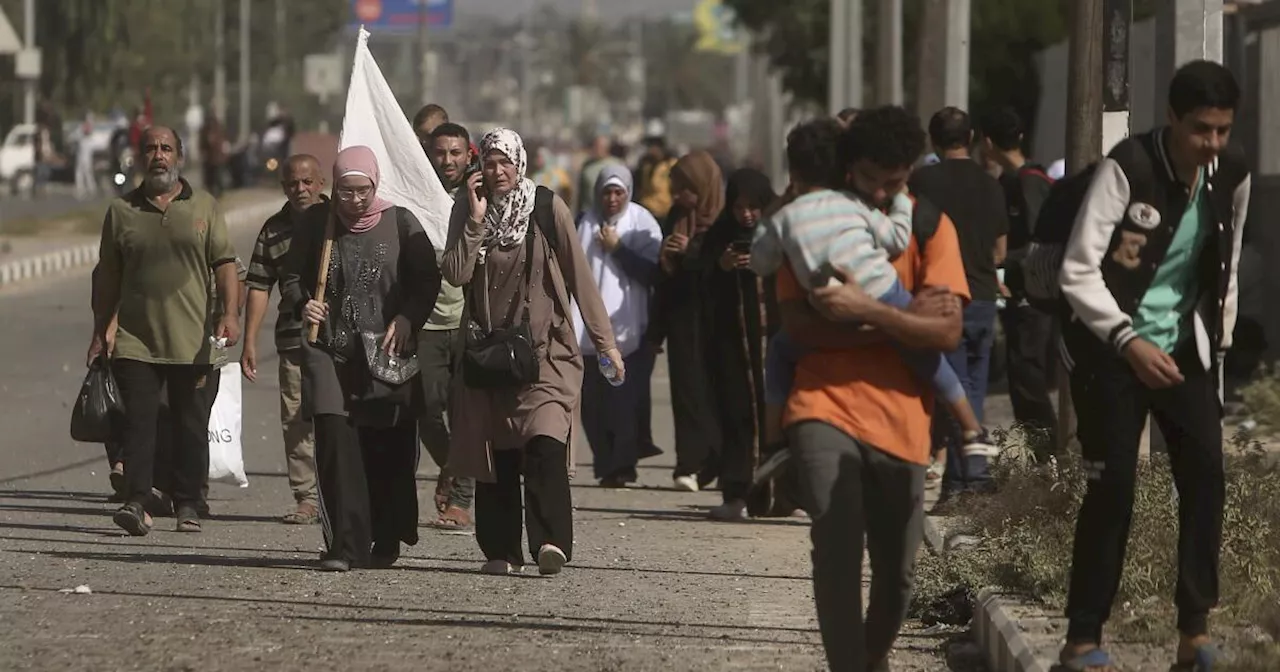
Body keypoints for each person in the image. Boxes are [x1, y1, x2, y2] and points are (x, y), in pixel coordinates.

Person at [1056, 60, 1249, 672]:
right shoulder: (1128, 168)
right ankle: (1083, 639)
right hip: (1111, 351)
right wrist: (1126, 341)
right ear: (1171, 118)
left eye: (1221, 130)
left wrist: (1215, 348)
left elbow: (1226, 269)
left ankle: (1194, 632)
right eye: (1200, 129)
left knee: (1206, 476)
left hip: (1184, 351)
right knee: (1112, 490)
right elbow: (1077, 270)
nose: (1211, 143)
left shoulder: (1231, 177)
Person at [779, 105, 971, 672]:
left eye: (897, 180)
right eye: (870, 179)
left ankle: (869, 657)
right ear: (847, 169)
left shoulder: (932, 227)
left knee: (898, 574)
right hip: (822, 406)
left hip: (904, 421)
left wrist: (862, 312)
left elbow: (948, 332)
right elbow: (797, 324)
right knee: (835, 548)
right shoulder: (812, 221)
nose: (884, 193)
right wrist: (902, 321)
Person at [441, 128, 622, 577]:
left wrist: (606, 344)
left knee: (544, 442)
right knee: (497, 454)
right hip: (489, 355)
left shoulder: (545, 207)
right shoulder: (468, 207)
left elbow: (581, 278)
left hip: (545, 354)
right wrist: (476, 221)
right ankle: (502, 550)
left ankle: (550, 542)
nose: (498, 171)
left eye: (506, 162)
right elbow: (457, 273)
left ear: (520, 164)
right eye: (490, 162)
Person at [289, 146, 442, 572]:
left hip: (385, 350)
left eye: (362, 191)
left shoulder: (401, 222)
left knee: (385, 446)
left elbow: (427, 278)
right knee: (336, 441)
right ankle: (345, 545)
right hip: (329, 350)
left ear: (375, 185)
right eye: (345, 191)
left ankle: (386, 535)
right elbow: (291, 277)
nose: (354, 200)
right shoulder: (318, 225)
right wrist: (304, 302)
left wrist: (409, 318)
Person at [88, 126, 240, 536]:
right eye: (151, 148)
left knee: (190, 426)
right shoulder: (122, 211)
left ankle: (188, 500)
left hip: (194, 342)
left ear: (180, 157)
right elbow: (107, 277)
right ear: (140, 158)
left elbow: (225, 264)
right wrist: (101, 329)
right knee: (139, 423)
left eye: (166, 148)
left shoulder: (204, 207)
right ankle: (137, 501)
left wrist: (231, 314)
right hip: (137, 341)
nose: (159, 155)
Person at [910, 107, 1010, 506]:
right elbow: (1000, 249)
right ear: (969, 138)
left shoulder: (921, 182)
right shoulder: (991, 184)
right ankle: (971, 477)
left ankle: (960, 482)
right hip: (983, 294)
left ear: (933, 140)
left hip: (939, 294)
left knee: (948, 387)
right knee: (973, 387)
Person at [242, 155, 327, 525]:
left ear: (320, 183)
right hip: (293, 342)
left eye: (308, 182)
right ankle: (306, 496)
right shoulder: (273, 230)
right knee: (295, 419)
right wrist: (248, 342)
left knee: (338, 418)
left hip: (339, 344)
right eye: (293, 183)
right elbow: (259, 286)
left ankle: (341, 490)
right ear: (284, 187)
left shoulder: (338, 221)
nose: (301, 190)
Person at [698, 168, 784, 521]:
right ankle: (737, 495)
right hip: (733, 348)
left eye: (753, 207)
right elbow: (700, 286)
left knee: (779, 417)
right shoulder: (719, 237)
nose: (746, 215)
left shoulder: (782, 233)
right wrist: (721, 265)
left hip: (776, 345)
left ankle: (782, 496)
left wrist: (767, 266)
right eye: (739, 208)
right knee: (737, 418)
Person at [572, 164, 663, 488]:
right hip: (587, 333)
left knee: (622, 400)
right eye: (606, 192)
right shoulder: (583, 222)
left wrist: (619, 250)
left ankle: (623, 464)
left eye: (618, 192)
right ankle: (606, 462)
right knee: (593, 403)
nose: (612, 199)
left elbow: (654, 273)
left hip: (630, 330)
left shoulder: (642, 222)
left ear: (628, 192)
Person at [981, 108, 1059, 454]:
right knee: (1020, 377)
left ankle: (1050, 457)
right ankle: (1042, 457)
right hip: (1020, 294)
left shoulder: (1027, 183)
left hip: (1032, 296)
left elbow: (1036, 242)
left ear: (987, 143)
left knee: (1029, 378)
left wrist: (1001, 263)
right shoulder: (1014, 181)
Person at [651, 150, 726, 492]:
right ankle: (690, 463)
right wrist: (668, 257)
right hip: (683, 317)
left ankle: (717, 460)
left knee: (715, 390)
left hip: (716, 318)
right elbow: (664, 275)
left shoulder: (727, 219)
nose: (679, 196)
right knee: (686, 390)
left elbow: (720, 267)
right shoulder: (676, 217)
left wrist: (691, 252)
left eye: (685, 189)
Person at [420, 121, 477, 530]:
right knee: (425, 410)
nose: (448, 161)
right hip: (425, 322)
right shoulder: (414, 196)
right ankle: (451, 466)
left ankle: (461, 500)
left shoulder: (479, 197)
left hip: (470, 323)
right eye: (441, 153)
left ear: (468, 153)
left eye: (455, 153)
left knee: (468, 414)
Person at [576, 135, 623, 216]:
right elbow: (581, 191)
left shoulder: (616, 164)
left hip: (608, 213)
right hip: (587, 211)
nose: (596, 149)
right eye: (595, 146)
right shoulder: (587, 165)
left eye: (600, 146)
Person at [633, 136, 677, 220]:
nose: (651, 150)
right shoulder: (645, 165)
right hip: (647, 209)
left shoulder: (671, 165)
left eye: (653, 147)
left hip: (665, 211)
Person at [528, 141, 574, 208]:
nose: (537, 160)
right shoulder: (535, 176)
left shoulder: (559, 173)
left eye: (539, 157)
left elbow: (568, 192)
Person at [200, 115, 229, 198]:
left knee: (218, 178)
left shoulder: (218, 132)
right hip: (210, 159)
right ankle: (212, 192)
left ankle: (218, 193)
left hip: (217, 159)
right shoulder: (205, 132)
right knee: (210, 179)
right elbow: (203, 145)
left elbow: (222, 144)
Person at [75, 113, 98, 199]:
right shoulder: (81, 128)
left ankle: (91, 187)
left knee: (87, 170)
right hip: (81, 152)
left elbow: (89, 132)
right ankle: (81, 188)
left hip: (86, 153)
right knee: (80, 171)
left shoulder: (90, 130)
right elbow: (78, 135)